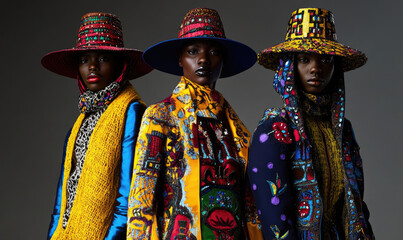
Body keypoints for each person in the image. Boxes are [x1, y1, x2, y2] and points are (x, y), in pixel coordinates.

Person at [127, 8, 263, 240]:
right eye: (192, 51)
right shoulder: (160, 116)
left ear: (223, 60)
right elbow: (142, 200)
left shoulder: (233, 125)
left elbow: (249, 202)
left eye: (213, 52)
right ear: (180, 59)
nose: (203, 60)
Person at [247, 8, 374, 240]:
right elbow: (274, 220)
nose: (316, 68)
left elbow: (356, 205)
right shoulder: (275, 129)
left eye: (325, 59)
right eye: (304, 59)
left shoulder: (343, 131)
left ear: (336, 67)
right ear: (289, 66)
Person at [41, 12, 152, 239]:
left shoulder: (132, 111)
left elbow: (129, 200)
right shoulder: (81, 120)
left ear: (121, 64)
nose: (92, 67)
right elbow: (62, 199)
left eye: (102, 58)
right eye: (84, 60)